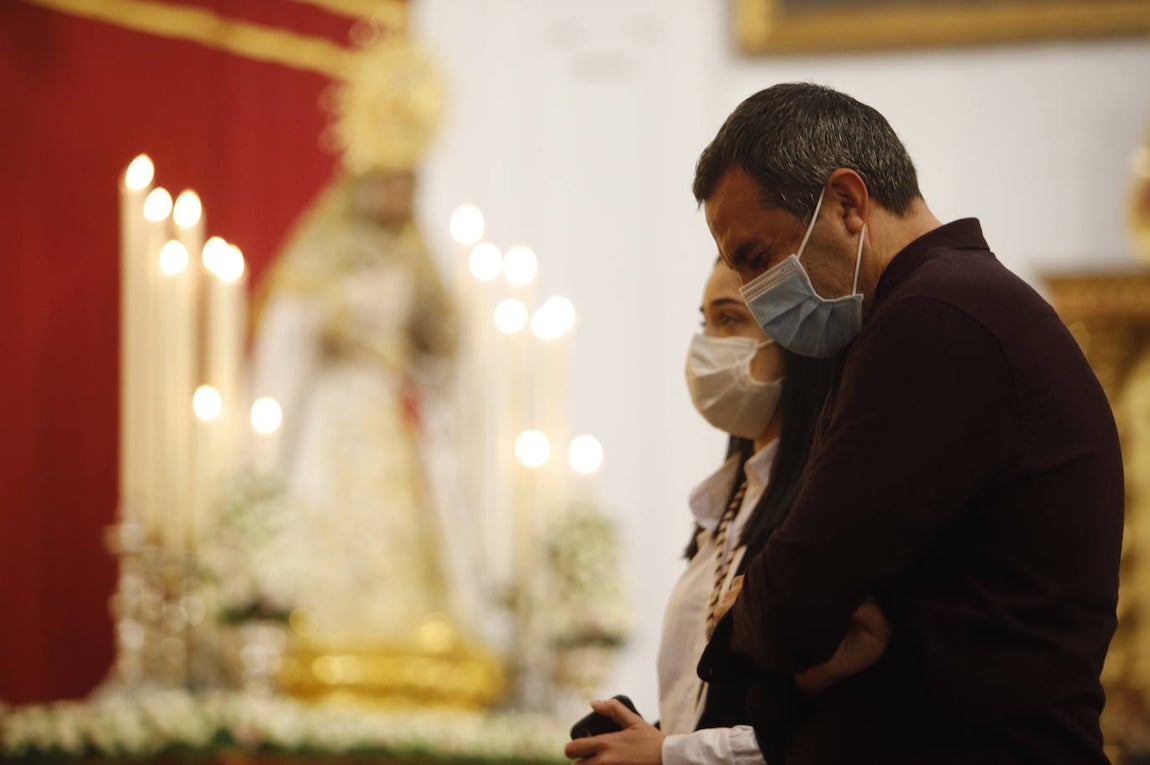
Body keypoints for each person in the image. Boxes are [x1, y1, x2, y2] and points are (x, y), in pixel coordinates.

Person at [688, 82, 1124, 764]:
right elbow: (813, 603)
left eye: (756, 257)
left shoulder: (937, 320)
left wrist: (754, 619)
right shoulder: (930, 312)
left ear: (847, 203)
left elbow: (791, 605)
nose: (750, 291)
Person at [563, 259, 833, 765]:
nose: (706, 344)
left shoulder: (822, 510)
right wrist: (642, 739)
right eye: (704, 321)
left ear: (796, 340)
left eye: (729, 320)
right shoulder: (729, 503)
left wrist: (668, 753)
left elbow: (831, 735)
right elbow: (706, 712)